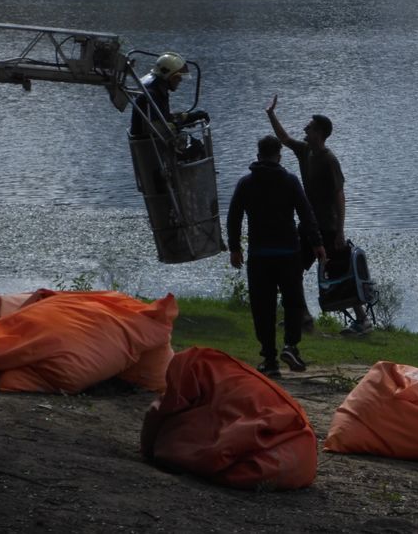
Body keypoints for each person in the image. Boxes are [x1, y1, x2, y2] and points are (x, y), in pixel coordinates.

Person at [266, 95, 374, 335]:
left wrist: (340, 231)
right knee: (291, 268)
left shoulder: (329, 160)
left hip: (327, 227)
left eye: (310, 127)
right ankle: (301, 316)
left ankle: (363, 320)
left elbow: (339, 195)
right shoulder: (306, 151)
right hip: (308, 225)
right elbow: (283, 139)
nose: (305, 128)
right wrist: (271, 114)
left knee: (339, 269)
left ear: (320, 133)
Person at [227, 135, 326, 377]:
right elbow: (306, 214)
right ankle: (291, 346)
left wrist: (235, 248)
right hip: (288, 253)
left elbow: (234, 216)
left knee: (263, 307)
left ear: (258, 155)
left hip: (260, 255)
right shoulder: (290, 181)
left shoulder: (246, 183)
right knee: (293, 303)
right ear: (279, 156)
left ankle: (269, 358)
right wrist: (317, 244)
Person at [129, 52, 208, 143]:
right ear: (169, 76)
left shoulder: (158, 88)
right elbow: (158, 128)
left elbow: (164, 118)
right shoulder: (151, 94)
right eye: (178, 77)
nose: (180, 80)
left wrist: (192, 116)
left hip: (154, 144)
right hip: (151, 148)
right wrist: (181, 123)